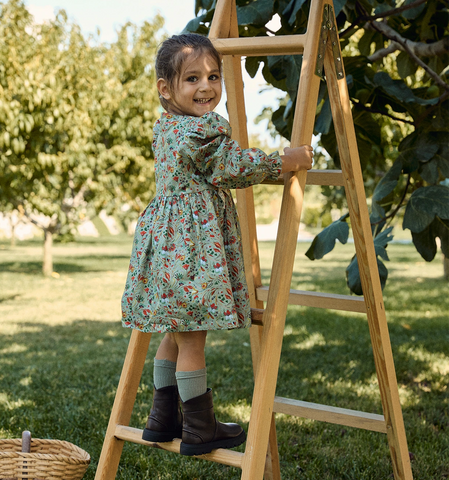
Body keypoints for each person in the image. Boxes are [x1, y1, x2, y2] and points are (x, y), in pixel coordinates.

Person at [121, 33, 313, 457]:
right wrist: (284, 162)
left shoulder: (167, 127)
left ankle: (161, 419)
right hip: (189, 250)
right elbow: (230, 166)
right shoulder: (200, 133)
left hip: (167, 246)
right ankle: (200, 427)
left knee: (175, 330)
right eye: (192, 78)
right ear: (165, 89)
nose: (206, 86)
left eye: (213, 76)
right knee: (192, 340)